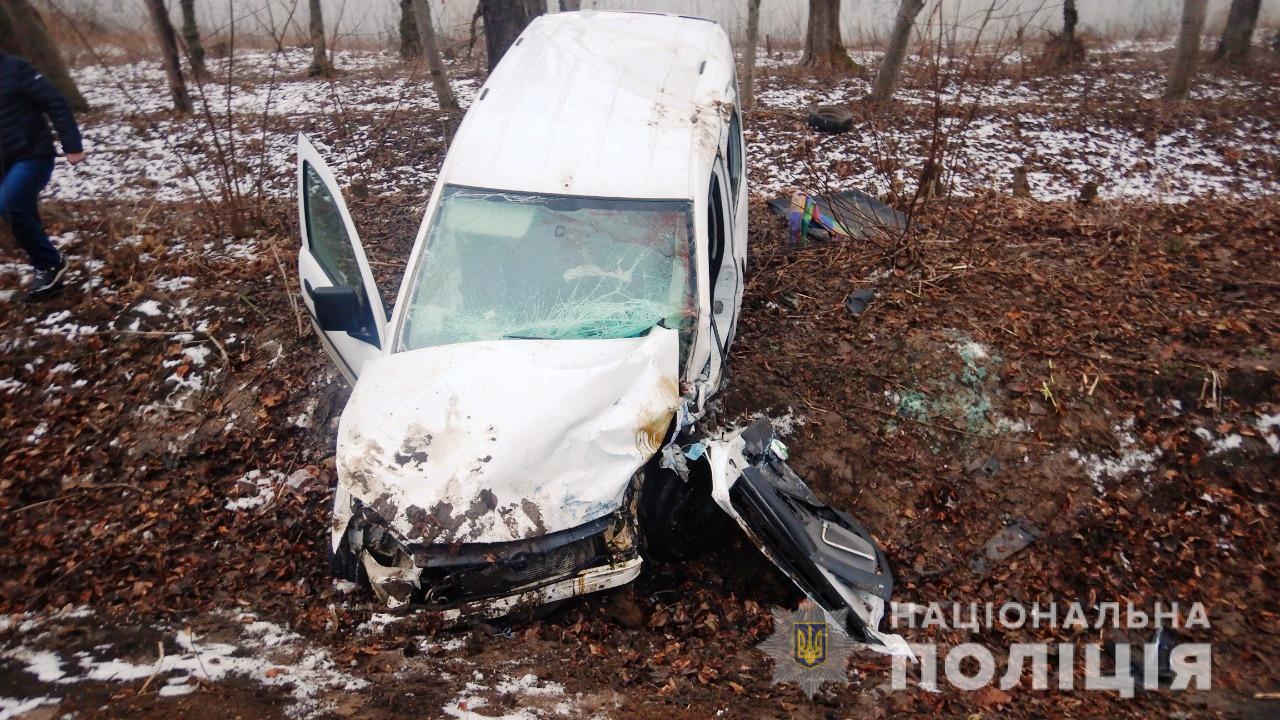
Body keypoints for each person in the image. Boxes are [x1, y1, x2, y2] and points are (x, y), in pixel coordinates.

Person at [0, 52, 86, 301]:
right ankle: (49, 279)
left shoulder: (16, 69)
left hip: (31, 155)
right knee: (21, 212)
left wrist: (72, 145)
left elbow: (55, 102)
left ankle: (51, 264)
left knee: (10, 205)